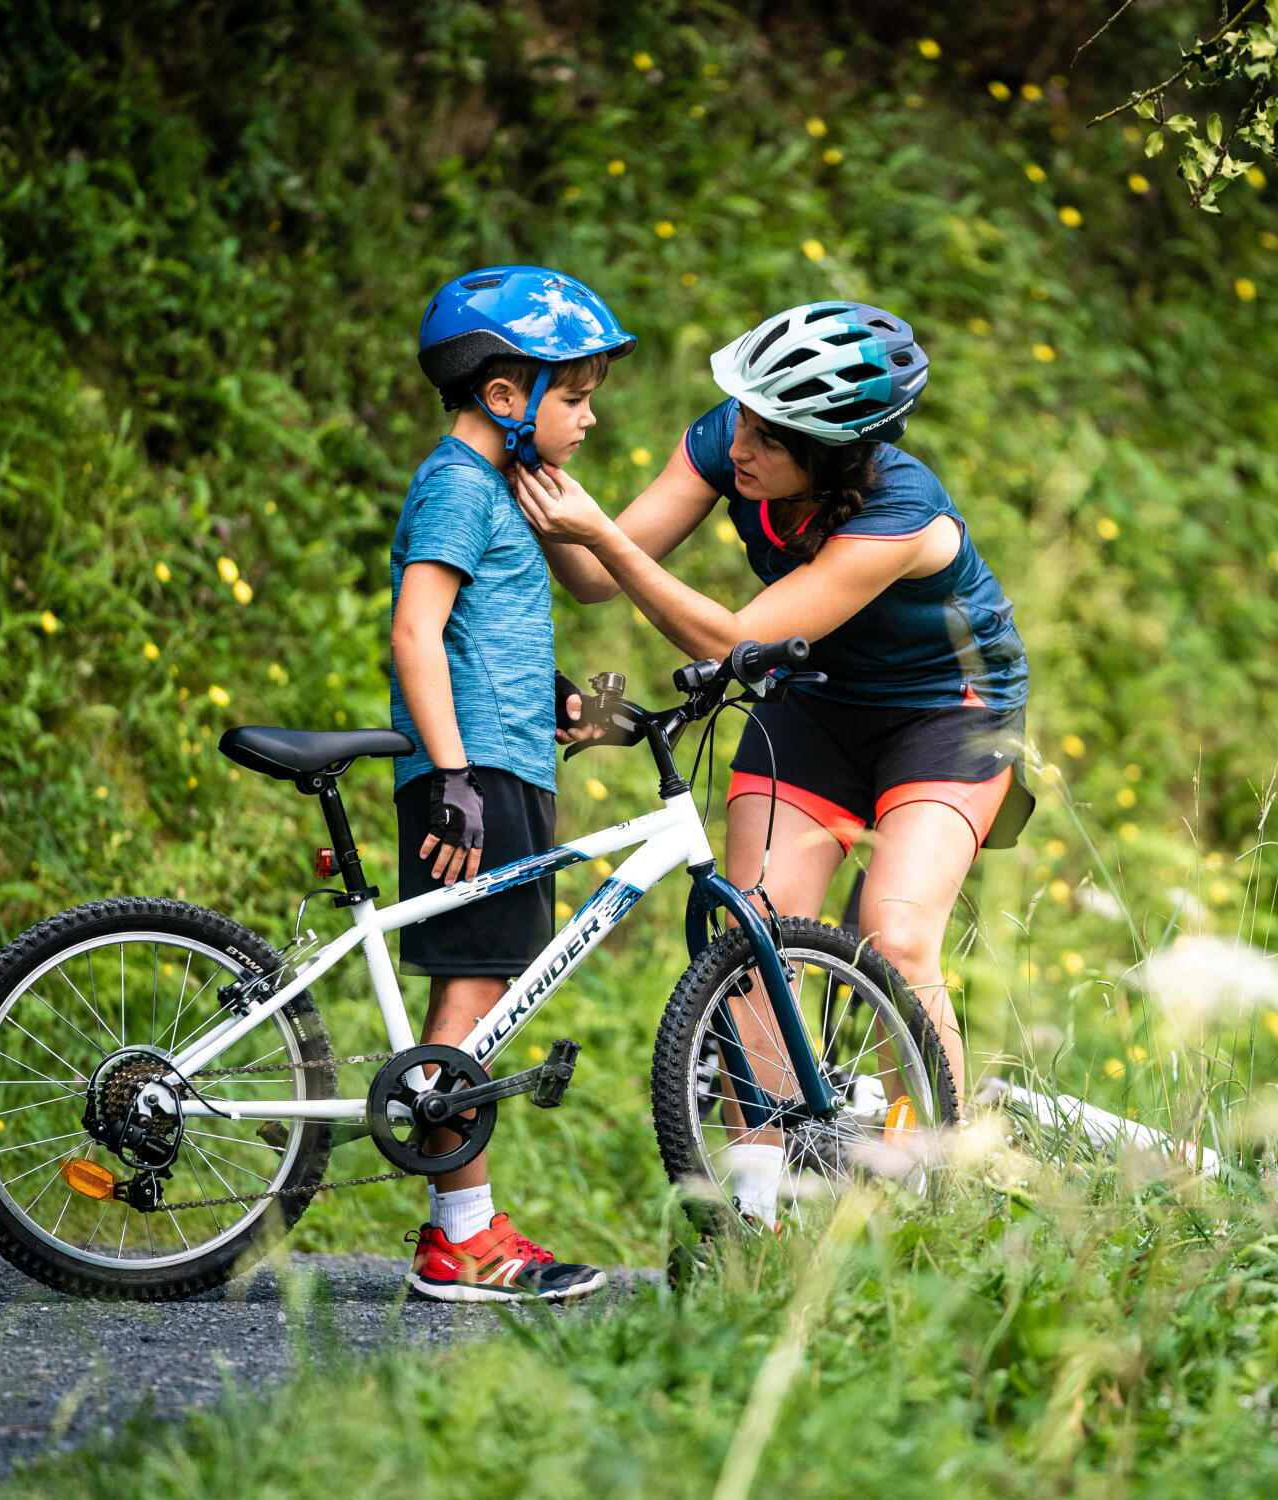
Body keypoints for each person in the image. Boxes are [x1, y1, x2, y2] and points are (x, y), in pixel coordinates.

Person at [512, 300, 1032, 1226]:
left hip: (946, 713)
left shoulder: (902, 514)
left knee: (895, 934)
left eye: (769, 437)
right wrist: (515, 454)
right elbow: (593, 577)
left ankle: (926, 1176)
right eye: (742, 419)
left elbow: (735, 635)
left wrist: (600, 533)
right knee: (754, 936)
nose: (739, 444)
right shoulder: (730, 439)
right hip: (812, 700)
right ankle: (762, 1208)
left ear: (831, 458)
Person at [390, 264, 633, 1299]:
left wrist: (562, 701)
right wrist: (453, 777)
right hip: (474, 777)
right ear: (505, 396)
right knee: (475, 992)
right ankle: (462, 1237)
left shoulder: (493, 489)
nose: (587, 417)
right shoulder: (454, 483)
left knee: (485, 992)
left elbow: (488, 636)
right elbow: (417, 629)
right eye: (573, 396)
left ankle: (467, 1224)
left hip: (503, 763)